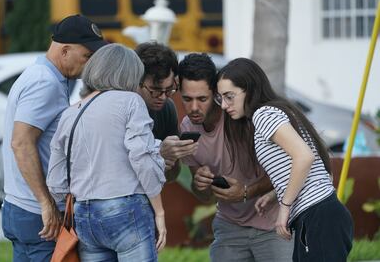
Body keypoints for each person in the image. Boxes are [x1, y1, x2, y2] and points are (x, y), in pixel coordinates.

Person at [216, 57, 353, 261]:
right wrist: (274, 195)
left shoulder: (264, 114)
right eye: (220, 98)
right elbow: (311, 163)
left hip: (318, 216)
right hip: (320, 215)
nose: (224, 105)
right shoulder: (276, 111)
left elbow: (304, 157)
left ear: (249, 90)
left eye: (229, 96)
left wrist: (285, 207)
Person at [47, 43, 167, 261]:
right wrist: (159, 211)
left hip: (84, 214)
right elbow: (141, 158)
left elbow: (56, 180)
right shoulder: (131, 102)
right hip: (126, 207)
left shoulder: (70, 113)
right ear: (131, 74)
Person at [2, 14, 107, 261]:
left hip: (21, 206)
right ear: (65, 50)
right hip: (36, 211)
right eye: (87, 56)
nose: (90, 65)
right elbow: (21, 142)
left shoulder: (40, 74)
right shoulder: (45, 82)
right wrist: (46, 203)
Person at [179, 53, 293, 262]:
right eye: (187, 99)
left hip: (273, 224)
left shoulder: (242, 116)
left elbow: (285, 169)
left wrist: (247, 192)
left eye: (202, 99)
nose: (194, 107)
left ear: (215, 93)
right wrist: (200, 184)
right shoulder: (187, 127)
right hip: (229, 226)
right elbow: (205, 197)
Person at [135, 42, 198, 181]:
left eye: (169, 90)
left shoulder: (167, 108)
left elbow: (170, 177)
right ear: (136, 81)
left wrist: (171, 158)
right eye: (155, 90)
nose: (163, 97)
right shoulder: (118, 108)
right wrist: (157, 154)